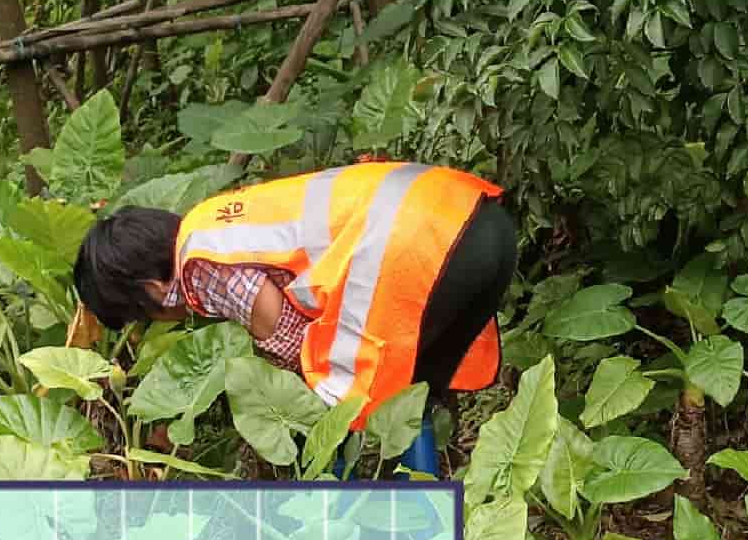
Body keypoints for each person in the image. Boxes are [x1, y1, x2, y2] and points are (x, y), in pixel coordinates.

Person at [72, 160, 518, 477]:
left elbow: (285, 335)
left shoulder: (198, 264)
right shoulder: (216, 220)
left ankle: (403, 529)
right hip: (481, 222)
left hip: (420, 247)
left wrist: (299, 411)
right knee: (411, 397)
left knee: (335, 396)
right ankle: (429, 522)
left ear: (149, 289)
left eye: (140, 314)